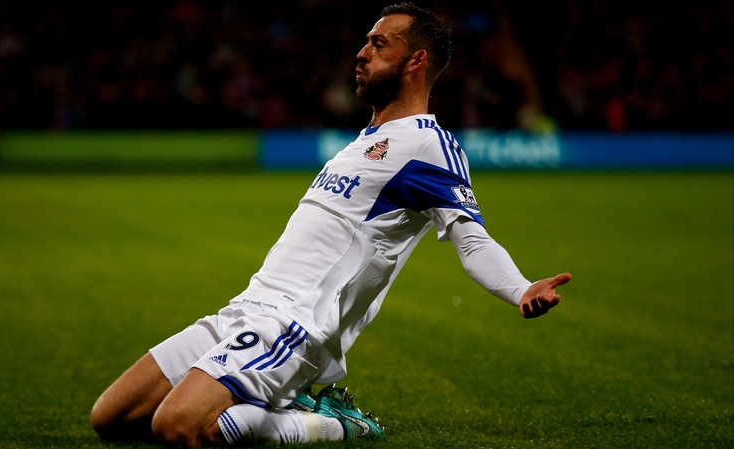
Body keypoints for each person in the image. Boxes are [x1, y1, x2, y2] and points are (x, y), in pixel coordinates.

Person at [90, 3, 571, 447]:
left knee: (176, 425)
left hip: (294, 325)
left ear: (416, 61)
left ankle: (330, 423)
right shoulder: (364, 140)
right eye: (366, 42)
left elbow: (472, 240)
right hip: (245, 309)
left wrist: (520, 289)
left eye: (379, 44)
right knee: (110, 418)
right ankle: (278, 401)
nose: (362, 53)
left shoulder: (428, 146)